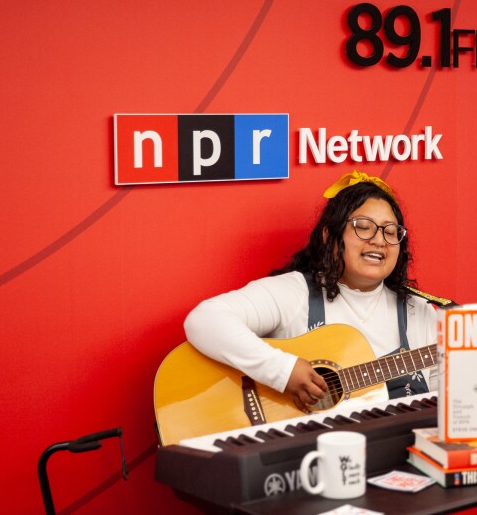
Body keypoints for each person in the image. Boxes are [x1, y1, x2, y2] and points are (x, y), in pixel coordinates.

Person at [184, 170, 447, 412]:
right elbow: (205, 319)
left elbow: (441, 407)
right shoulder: (295, 293)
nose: (379, 240)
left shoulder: (421, 312)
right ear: (329, 236)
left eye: (391, 232)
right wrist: (283, 372)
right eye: (363, 227)